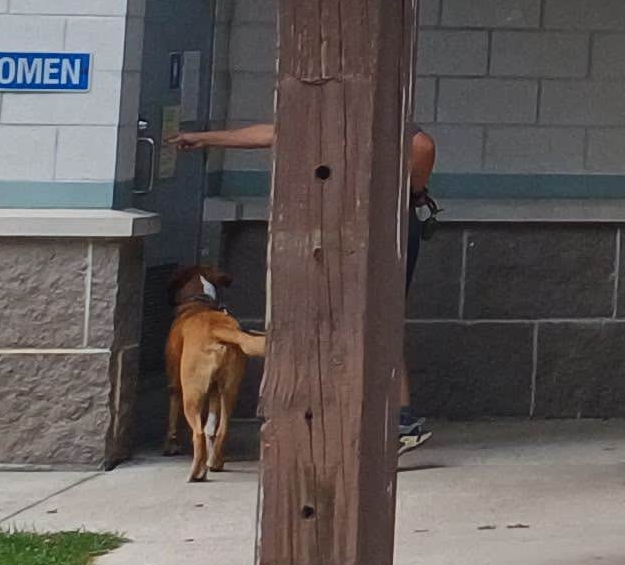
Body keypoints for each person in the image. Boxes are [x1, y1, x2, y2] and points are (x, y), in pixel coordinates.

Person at [175, 119, 441, 454]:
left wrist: (408, 193)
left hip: (370, 229)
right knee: (377, 322)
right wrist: (204, 138)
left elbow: (422, 145)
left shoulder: (365, 107)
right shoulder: (337, 113)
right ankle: (395, 420)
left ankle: (373, 421)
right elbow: (276, 130)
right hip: (368, 225)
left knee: (362, 322)